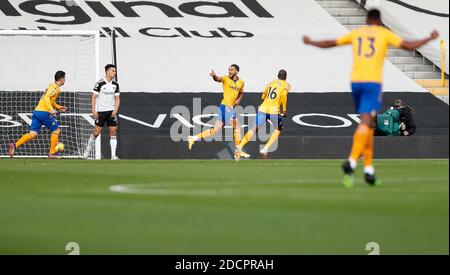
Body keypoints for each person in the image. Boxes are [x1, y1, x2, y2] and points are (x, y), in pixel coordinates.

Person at [303, 9, 438, 187]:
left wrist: (311, 41)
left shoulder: (357, 33)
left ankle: (368, 170)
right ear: (380, 21)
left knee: (369, 124)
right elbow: (409, 46)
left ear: (367, 19)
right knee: (366, 123)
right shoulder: (383, 34)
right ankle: (351, 162)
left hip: (355, 82)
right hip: (372, 84)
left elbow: (331, 43)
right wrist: (429, 38)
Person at [188, 64, 250, 158]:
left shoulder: (241, 82)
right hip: (226, 106)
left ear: (237, 71)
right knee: (237, 127)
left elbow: (241, 92)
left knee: (215, 130)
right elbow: (218, 79)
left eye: (232, 70)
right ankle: (238, 151)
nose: (229, 71)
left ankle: (193, 138)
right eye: (229, 69)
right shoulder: (225, 78)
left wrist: (237, 101)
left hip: (225, 107)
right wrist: (214, 76)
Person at [9, 71, 67, 159]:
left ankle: (15, 145)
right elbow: (47, 97)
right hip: (44, 112)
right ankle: (52, 153)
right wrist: (51, 109)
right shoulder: (55, 87)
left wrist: (58, 107)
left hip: (37, 111)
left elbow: (50, 100)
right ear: (61, 79)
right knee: (56, 130)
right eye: (65, 78)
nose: (65, 80)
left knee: (33, 134)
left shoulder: (51, 85)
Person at [235, 70, 291, 161]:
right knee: (278, 128)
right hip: (274, 111)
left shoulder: (271, 82)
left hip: (263, 109)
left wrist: (266, 101)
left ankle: (240, 146)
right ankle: (265, 149)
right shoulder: (287, 85)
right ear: (286, 77)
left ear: (277, 76)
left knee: (253, 129)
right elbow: (284, 95)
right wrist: (284, 109)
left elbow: (263, 95)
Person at [83, 64, 121, 160]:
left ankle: (113, 155)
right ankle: (87, 150)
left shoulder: (115, 85)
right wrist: (94, 110)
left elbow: (117, 99)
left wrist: (115, 110)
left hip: (111, 111)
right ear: (107, 71)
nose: (114, 73)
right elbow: (94, 97)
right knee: (96, 133)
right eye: (113, 71)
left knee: (113, 132)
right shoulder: (99, 83)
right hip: (101, 112)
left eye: (115, 71)